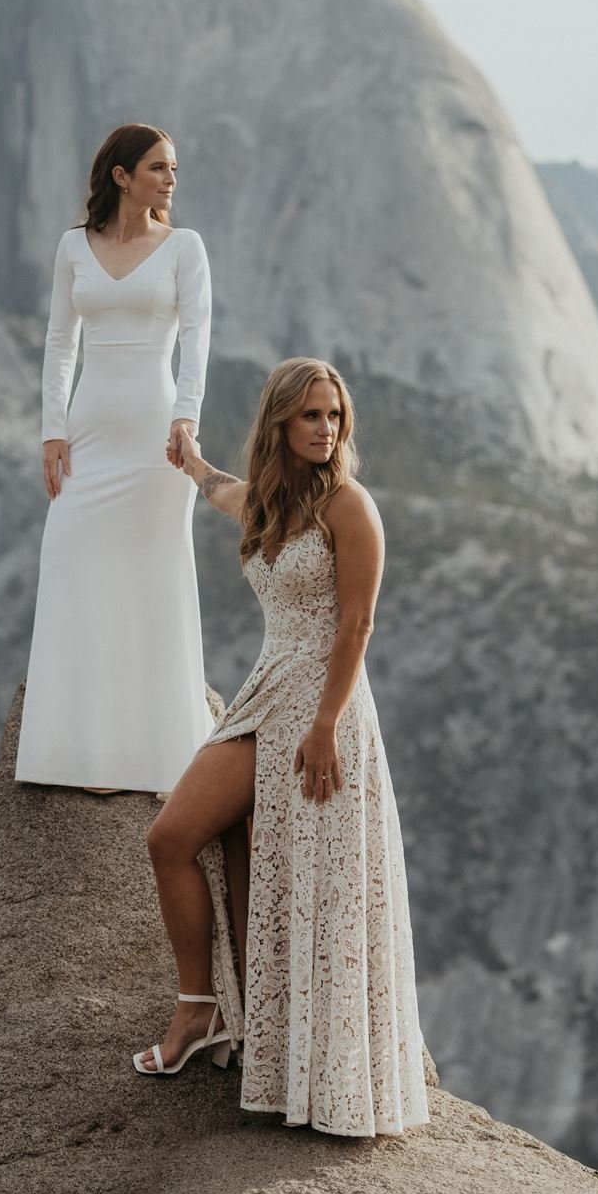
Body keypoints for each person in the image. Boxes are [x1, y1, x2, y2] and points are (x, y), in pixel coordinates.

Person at [131, 358, 431, 1139]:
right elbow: (222, 490)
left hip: (321, 714)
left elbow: (357, 624)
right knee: (174, 839)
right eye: (309, 416)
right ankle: (199, 1009)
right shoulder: (269, 503)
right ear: (279, 424)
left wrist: (327, 725)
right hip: (263, 697)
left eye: (333, 416)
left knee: (303, 885)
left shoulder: (349, 505)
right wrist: (192, 461)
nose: (325, 429)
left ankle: (299, 1060)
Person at [14, 123, 214, 795]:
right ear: (121, 175)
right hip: (89, 433)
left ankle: (159, 757)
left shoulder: (184, 248)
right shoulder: (74, 247)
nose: (170, 180)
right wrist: (51, 431)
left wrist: (186, 421)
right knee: (73, 567)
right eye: (157, 167)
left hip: (157, 437)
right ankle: (80, 755)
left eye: (174, 169)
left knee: (153, 579)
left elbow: (198, 341)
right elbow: (58, 344)